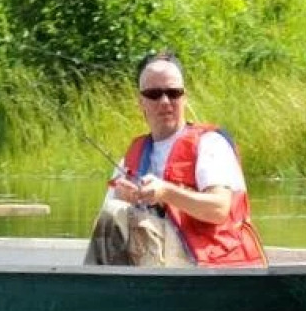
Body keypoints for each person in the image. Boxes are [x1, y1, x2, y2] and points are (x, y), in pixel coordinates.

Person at [88, 50, 266, 267]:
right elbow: (100, 228)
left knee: (117, 214)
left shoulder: (209, 144)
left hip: (208, 261)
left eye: (173, 93)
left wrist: (166, 192)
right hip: (156, 257)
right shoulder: (131, 156)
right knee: (113, 212)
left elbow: (219, 209)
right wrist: (123, 198)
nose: (165, 102)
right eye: (154, 94)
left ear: (185, 97)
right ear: (141, 102)